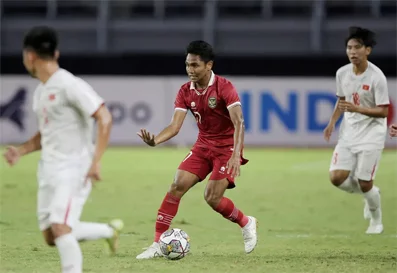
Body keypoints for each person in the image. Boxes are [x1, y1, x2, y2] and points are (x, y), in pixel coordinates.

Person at [3, 26, 123, 273]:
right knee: (50, 235)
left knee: (60, 228)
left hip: (73, 168)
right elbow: (46, 134)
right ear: (55, 53)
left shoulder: (69, 84)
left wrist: (95, 161)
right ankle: (107, 231)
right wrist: (21, 151)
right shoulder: (40, 92)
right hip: (49, 169)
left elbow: (104, 117)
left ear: (29, 56)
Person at [136, 40, 258, 259]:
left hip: (227, 147)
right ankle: (156, 244)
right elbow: (175, 126)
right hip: (203, 145)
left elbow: (239, 122)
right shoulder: (185, 91)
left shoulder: (224, 87)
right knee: (176, 185)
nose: (190, 70)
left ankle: (246, 222)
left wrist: (235, 154)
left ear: (208, 65)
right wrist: (155, 141)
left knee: (212, 197)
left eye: (195, 65)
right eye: (187, 65)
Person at [323, 26, 389, 234]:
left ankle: (376, 221)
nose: (352, 52)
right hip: (349, 133)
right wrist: (332, 122)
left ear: (367, 50)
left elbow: (384, 111)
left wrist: (358, 108)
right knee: (336, 178)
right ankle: (370, 193)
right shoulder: (342, 73)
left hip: (372, 135)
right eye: (349, 48)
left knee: (364, 181)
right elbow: (342, 102)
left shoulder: (376, 77)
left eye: (357, 47)